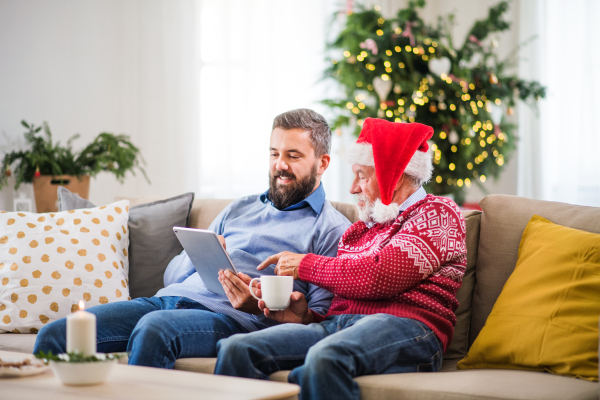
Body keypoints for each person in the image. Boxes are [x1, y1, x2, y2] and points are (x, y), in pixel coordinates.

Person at [33, 109, 351, 368]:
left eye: (293, 155)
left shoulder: (330, 229)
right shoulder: (240, 207)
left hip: (232, 320)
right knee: (54, 335)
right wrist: (200, 251)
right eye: (274, 153)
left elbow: (317, 320)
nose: (279, 165)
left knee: (154, 329)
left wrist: (260, 306)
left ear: (322, 163)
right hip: (167, 299)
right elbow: (171, 276)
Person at [214, 118, 467, 400]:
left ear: (392, 173)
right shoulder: (356, 233)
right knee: (236, 348)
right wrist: (305, 317)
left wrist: (304, 264)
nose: (353, 188)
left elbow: (379, 276)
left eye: (362, 175)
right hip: (338, 326)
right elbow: (344, 304)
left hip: (410, 328)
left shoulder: (439, 213)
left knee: (326, 357)